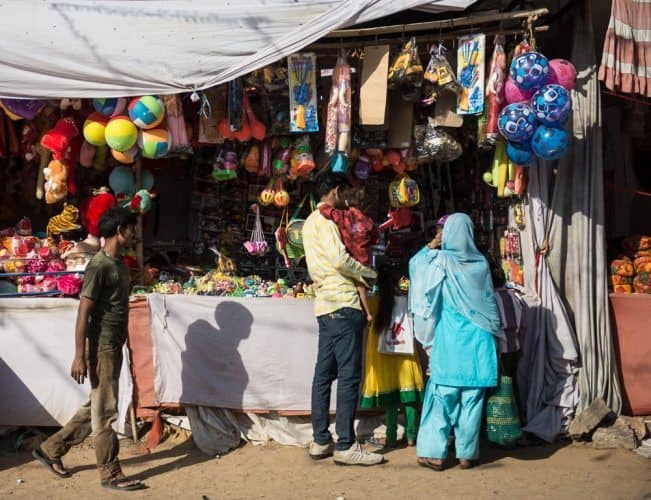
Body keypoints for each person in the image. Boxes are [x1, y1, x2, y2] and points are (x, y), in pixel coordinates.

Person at [32, 207, 146, 491]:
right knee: (106, 411)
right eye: (131, 229)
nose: (133, 234)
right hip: (102, 345)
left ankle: (51, 448)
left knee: (96, 405)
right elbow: (84, 311)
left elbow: (117, 307)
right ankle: (110, 473)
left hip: (113, 343)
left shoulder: (119, 266)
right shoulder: (100, 266)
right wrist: (79, 355)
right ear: (120, 230)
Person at [408, 213, 502, 471]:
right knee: (472, 402)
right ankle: (467, 455)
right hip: (479, 346)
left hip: (449, 344)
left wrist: (432, 244)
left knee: (441, 401)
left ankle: (434, 454)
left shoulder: (439, 261)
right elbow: (490, 305)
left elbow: (415, 266)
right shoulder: (481, 263)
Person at [302, 172, 384, 466]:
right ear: (335, 191)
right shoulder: (325, 222)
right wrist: (369, 272)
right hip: (344, 304)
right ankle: (346, 444)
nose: (345, 200)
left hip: (325, 305)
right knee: (349, 376)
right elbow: (340, 260)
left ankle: (321, 439)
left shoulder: (309, 224)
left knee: (323, 375)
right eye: (343, 193)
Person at [361, 265, 424, 449]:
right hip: (405, 357)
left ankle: (390, 438)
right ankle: (412, 436)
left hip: (384, 359)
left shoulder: (374, 303)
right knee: (409, 399)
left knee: (391, 402)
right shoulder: (407, 302)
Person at [318, 185, 380, 323]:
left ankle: (367, 313)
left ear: (346, 202)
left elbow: (326, 211)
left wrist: (321, 206)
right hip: (365, 257)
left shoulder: (343, 216)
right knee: (363, 284)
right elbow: (376, 238)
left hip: (351, 257)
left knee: (358, 285)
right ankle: (367, 311)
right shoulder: (368, 221)